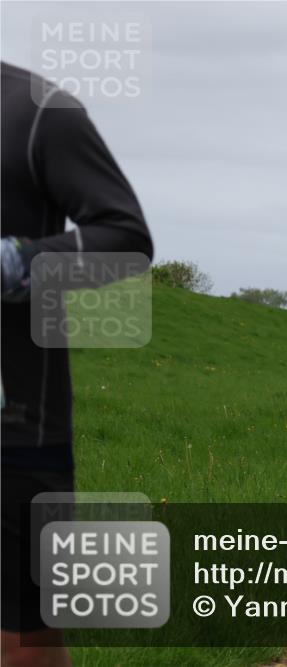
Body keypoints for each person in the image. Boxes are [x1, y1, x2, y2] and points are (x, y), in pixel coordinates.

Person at [1, 62, 154, 666]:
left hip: (16, 434)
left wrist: (16, 262)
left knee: (24, 644)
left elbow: (125, 238)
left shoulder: (39, 110)